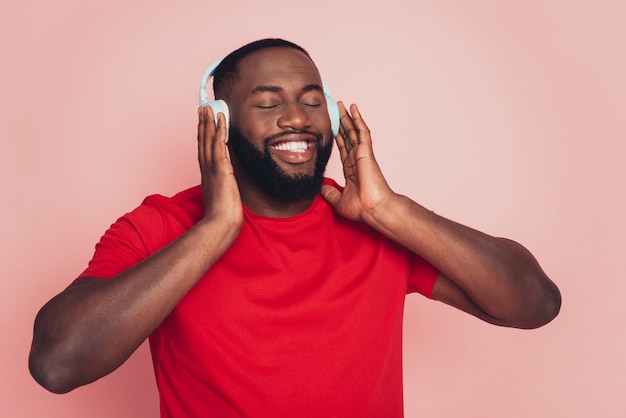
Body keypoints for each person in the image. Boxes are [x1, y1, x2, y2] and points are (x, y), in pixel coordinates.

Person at [29, 38, 561, 417]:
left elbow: (533, 304)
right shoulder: (160, 227)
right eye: (268, 103)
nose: (298, 118)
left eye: (313, 101)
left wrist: (389, 211)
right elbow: (57, 364)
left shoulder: (380, 228)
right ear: (219, 122)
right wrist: (215, 230)